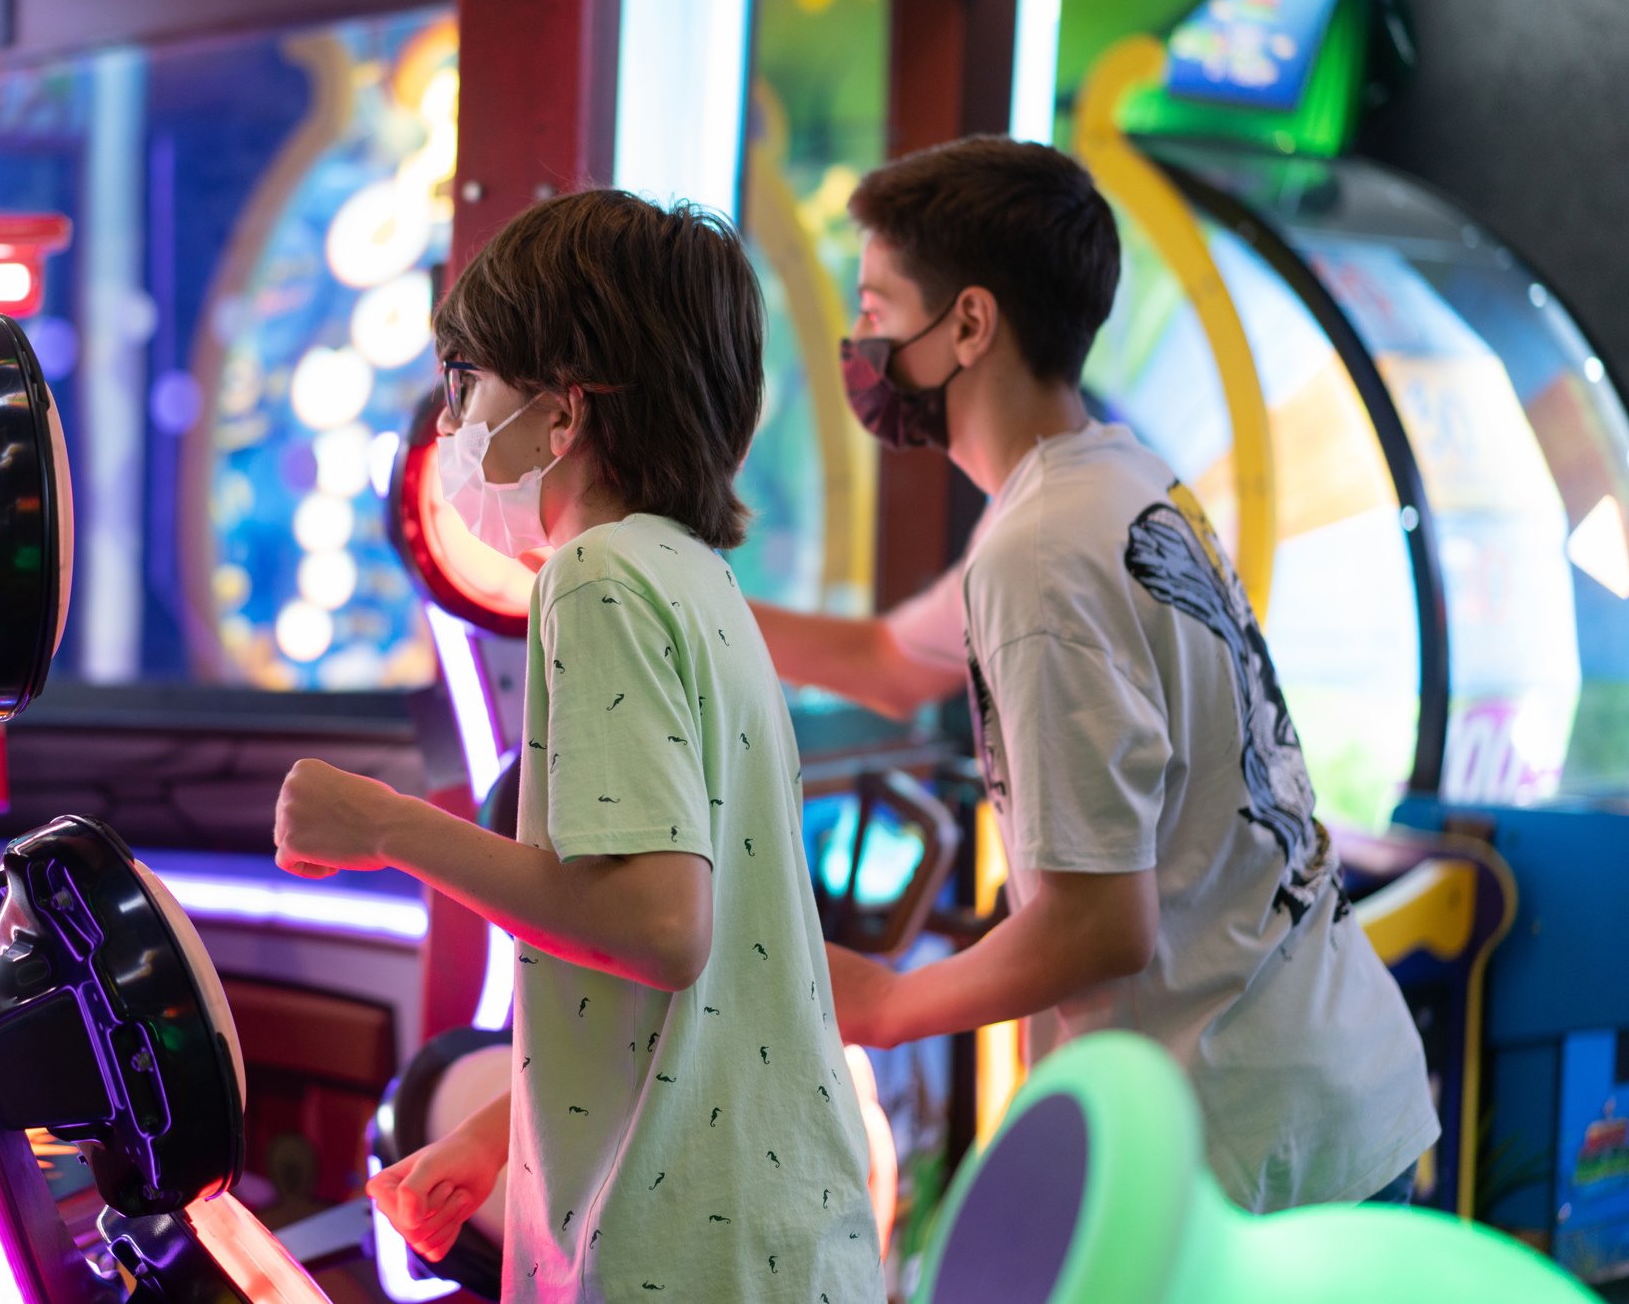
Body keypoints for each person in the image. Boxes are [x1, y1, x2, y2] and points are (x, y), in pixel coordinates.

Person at [756, 137, 1437, 1212]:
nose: (861, 343)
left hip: (1234, 1140)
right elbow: (889, 662)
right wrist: (676, 601)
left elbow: (1098, 924)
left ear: (968, 323)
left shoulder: (1039, 552)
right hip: (1326, 1083)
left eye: (877, 308)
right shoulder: (1107, 480)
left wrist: (884, 1003)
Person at [271, 189, 882, 1298]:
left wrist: (384, 824)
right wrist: (495, 1135)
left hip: (672, 1249)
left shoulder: (594, 578)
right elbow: (721, 983)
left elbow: (653, 928)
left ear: (563, 416)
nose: (449, 424)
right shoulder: (700, 584)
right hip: (770, 1223)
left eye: (467, 384)